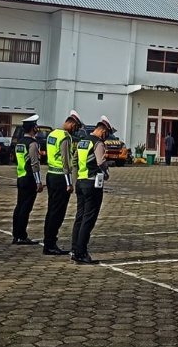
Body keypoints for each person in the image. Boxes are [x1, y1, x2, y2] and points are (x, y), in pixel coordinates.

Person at [70, 115, 113, 264]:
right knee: (88, 219)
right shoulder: (98, 143)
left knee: (80, 217)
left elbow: (74, 161)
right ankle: (81, 253)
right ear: (102, 130)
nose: (106, 136)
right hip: (92, 184)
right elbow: (101, 162)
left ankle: (74, 249)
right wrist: (107, 174)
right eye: (107, 133)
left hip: (81, 182)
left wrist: (76, 179)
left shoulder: (83, 141)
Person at [43, 111, 82, 256]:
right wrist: (69, 183)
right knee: (58, 213)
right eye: (75, 127)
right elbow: (66, 161)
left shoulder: (52, 134)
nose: (75, 130)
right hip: (61, 177)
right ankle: (50, 244)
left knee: (51, 210)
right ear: (71, 123)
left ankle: (48, 241)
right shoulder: (65, 137)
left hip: (51, 174)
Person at [12, 114, 44, 246]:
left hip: (20, 176)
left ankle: (16, 234)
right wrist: (38, 181)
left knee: (19, 206)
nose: (37, 128)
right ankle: (21, 235)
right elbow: (34, 164)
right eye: (36, 126)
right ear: (33, 128)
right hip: (29, 178)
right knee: (26, 208)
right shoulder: (33, 144)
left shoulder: (20, 142)